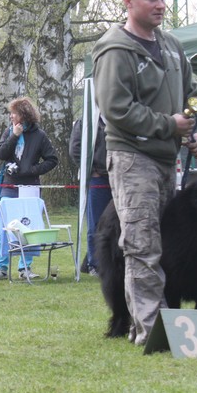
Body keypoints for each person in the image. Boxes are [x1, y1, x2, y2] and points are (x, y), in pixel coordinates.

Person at [93, 0, 197, 346]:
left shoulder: (172, 46)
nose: (161, 5)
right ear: (128, 2)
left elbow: (192, 94)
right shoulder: (115, 49)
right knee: (141, 244)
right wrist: (169, 125)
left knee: (163, 246)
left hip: (165, 160)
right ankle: (150, 330)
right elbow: (116, 109)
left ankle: (167, 326)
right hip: (132, 157)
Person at [0, 97, 58, 281]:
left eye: (14, 113)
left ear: (24, 115)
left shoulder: (39, 135)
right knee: (3, 227)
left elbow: (52, 159)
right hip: (9, 186)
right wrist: (14, 136)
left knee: (28, 226)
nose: (11, 116)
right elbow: (1, 154)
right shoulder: (9, 131)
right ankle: (1, 267)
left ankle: (25, 267)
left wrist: (32, 170)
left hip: (30, 187)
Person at [69, 116, 111, 277]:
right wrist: (92, 170)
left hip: (118, 177)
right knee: (96, 223)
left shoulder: (118, 117)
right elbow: (75, 149)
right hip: (98, 179)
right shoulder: (86, 121)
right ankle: (95, 264)